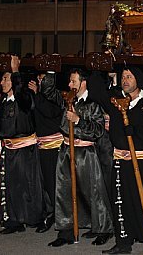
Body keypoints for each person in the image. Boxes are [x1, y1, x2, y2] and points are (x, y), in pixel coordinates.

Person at [89, 67, 143, 254]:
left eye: (129, 77)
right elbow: (96, 91)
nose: (125, 80)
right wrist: (98, 68)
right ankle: (123, 241)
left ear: (138, 80)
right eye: (123, 77)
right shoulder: (115, 99)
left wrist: (135, 129)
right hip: (121, 159)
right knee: (122, 202)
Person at [49, 68, 114, 247]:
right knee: (64, 191)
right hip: (66, 152)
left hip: (86, 154)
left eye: (73, 81)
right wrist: (50, 68)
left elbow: (98, 131)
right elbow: (48, 91)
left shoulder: (94, 104)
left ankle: (103, 229)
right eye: (70, 81)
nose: (70, 85)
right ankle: (66, 231)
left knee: (94, 192)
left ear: (83, 83)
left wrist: (78, 120)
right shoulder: (68, 100)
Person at [0, 56, 49, 234]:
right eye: (2, 78)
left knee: (30, 186)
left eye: (6, 78)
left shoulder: (25, 98)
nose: (2, 82)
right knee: (11, 186)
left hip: (26, 149)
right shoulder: (3, 101)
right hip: (9, 150)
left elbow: (25, 102)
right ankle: (14, 221)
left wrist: (16, 71)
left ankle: (38, 218)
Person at [27, 71, 63, 233]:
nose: (39, 82)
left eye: (42, 79)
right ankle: (48, 213)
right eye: (38, 78)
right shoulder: (39, 95)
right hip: (40, 144)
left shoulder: (56, 95)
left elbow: (50, 112)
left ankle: (58, 215)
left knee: (54, 183)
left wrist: (37, 94)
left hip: (54, 146)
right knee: (43, 184)